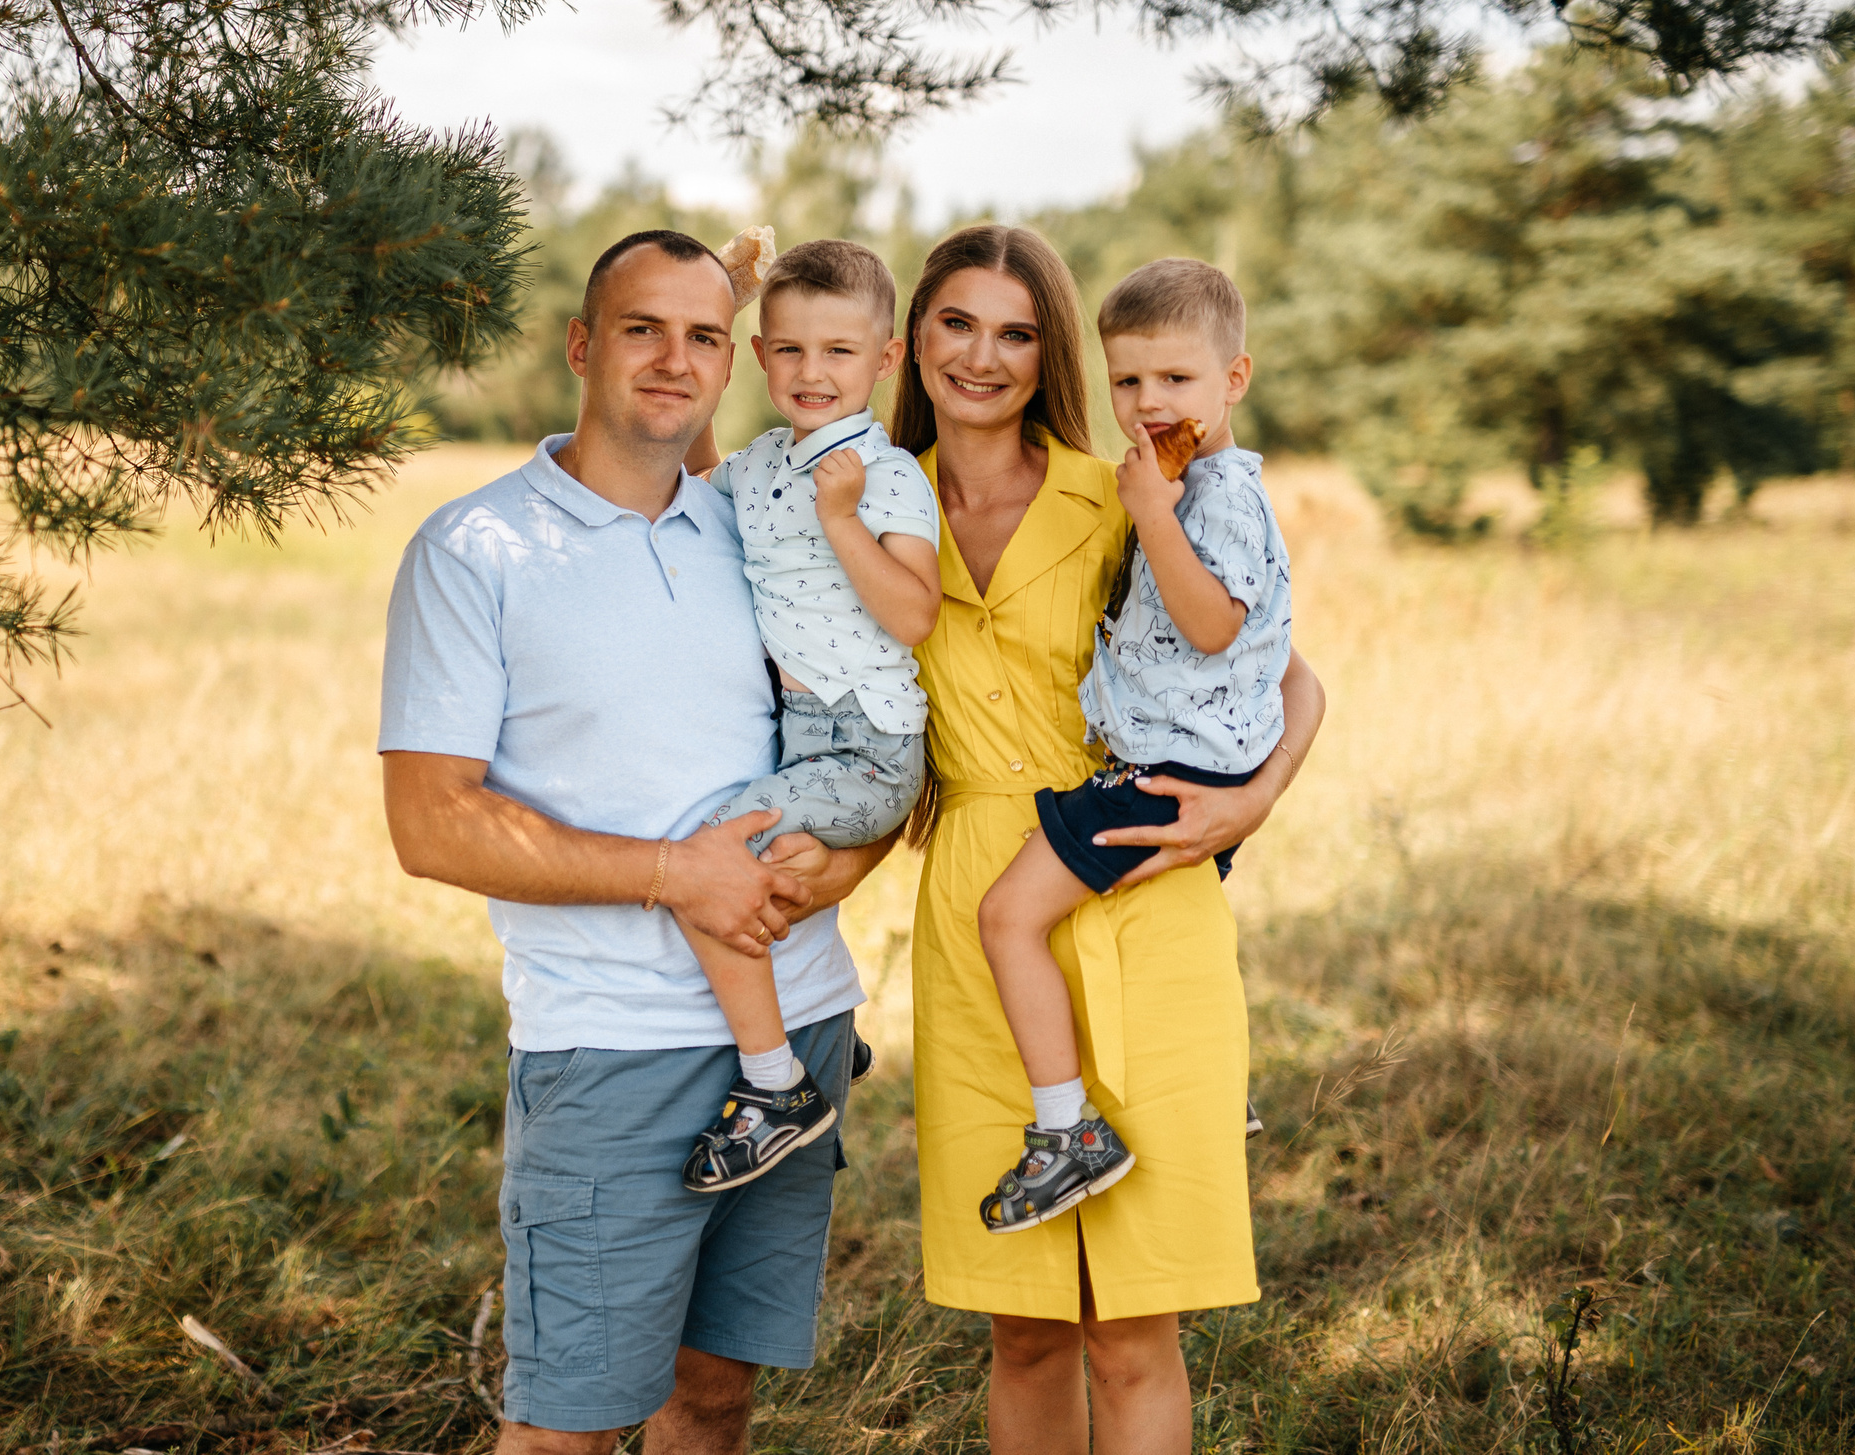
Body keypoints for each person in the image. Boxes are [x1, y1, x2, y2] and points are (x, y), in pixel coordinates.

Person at [378, 229, 896, 1455]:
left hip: (801, 1023)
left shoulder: (756, 526)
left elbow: (861, 720)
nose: (674, 358)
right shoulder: (474, 550)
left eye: (705, 334)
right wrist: (676, 874)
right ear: (580, 343)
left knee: (712, 1396)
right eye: (642, 327)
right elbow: (428, 821)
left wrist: (852, 860)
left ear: (734, 363)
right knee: (568, 1425)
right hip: (610, 1046)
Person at [896, 224, 1326, 1455]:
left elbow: (1288, 679)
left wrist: (1254, 801)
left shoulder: (1128, 492)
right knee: (1023, 1324)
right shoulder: (868, 502)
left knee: (1133, 1323)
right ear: (911, 339)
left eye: (1017, 331)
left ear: (1050, 353)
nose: (984, 356)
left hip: (1139, 878)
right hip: (983, 905)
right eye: (957, 324)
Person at [972, 257, 1292, 1233]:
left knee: (1008, 918)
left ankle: (1067, 1132)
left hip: (1170, 772)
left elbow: (1209, 624)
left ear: (1233, 379)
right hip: (1191, 759)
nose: (1148, 402)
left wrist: (1151, 512)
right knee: (1140, 945)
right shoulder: (1190, 482)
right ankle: (1206, 1085)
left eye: (1176, 379)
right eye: (1127, 381)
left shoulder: (1215, 496)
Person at [674, 238, 942, 1194]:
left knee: (711, 860)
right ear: (758, 356)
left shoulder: (891, 475)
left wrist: (842, 520)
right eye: (787, 349)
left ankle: (776, 1082)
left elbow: (915, 614)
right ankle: (819, 1046)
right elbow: (699, 491)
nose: (812, 371)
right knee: (760, 874)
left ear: (886, 358)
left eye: (838, 351)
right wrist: (725, 303)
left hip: (868, 747)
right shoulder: (760, 464)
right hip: (804, 731)